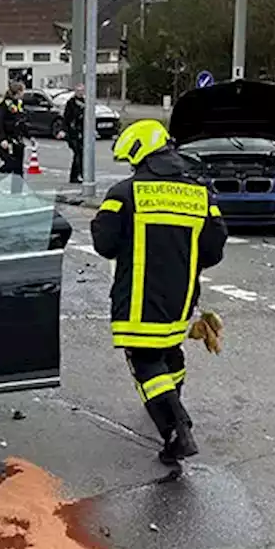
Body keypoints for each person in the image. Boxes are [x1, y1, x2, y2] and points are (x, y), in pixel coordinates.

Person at [90, 119, 228, 467]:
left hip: (138, 298)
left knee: (144, 360)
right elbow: (213, 250)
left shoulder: (124, 193)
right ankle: (172, 399)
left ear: (141, 156)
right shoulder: (201, 194)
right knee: (170, 353)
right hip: (181, 298)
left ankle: (176, 428)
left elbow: (104, 244)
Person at [0, 81, 29, 192]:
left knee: (19, 168)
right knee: (11, 164)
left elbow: (22, 123)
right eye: (22, 91)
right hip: (7, 140)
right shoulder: (4, 105)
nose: (24, 93)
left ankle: (17, 193)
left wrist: (29, 136)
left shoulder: (19, 104)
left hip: (18, 140)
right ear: (17, 92)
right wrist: (2, 138)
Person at [59, 84, 86, 183]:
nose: (80, 93)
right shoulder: (71, 103)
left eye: (82, 91)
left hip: (82, 132)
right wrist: (63, 130)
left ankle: (80, 174)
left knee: (82, 153)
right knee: (77, 153)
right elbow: (66, 118)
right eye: (78, 91)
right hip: (72, 133)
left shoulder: (85, 102)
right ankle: (75, 176)